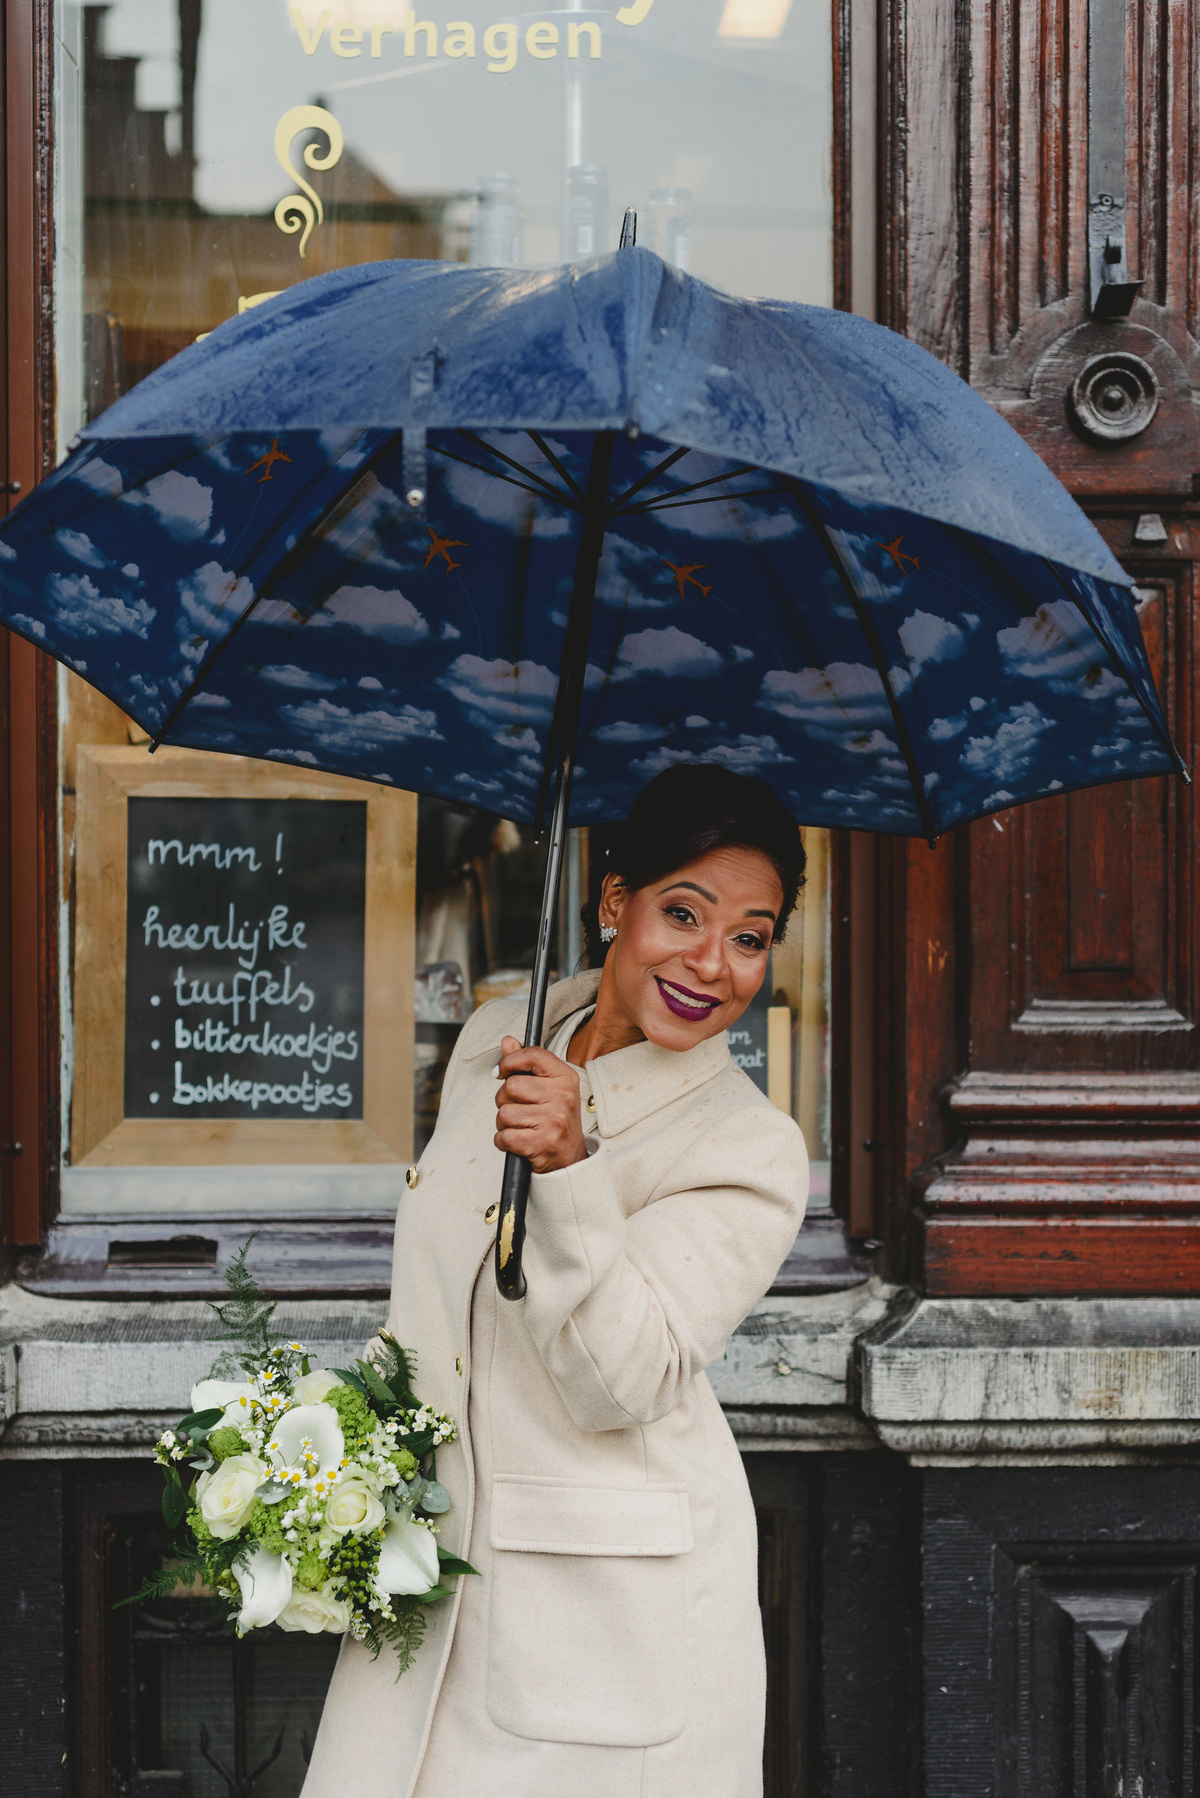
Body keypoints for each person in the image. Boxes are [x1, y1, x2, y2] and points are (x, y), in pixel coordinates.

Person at [302, 763, 810, 1798]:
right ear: (613, 899)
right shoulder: (501, 1033)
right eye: (683, 912)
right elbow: (440, 1295)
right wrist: (333, 1461)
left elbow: (620, 1381)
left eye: (751, 936)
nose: (714, 964)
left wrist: (573, 1170)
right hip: (428, 1568)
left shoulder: (752, 1148)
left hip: (599, 1619)